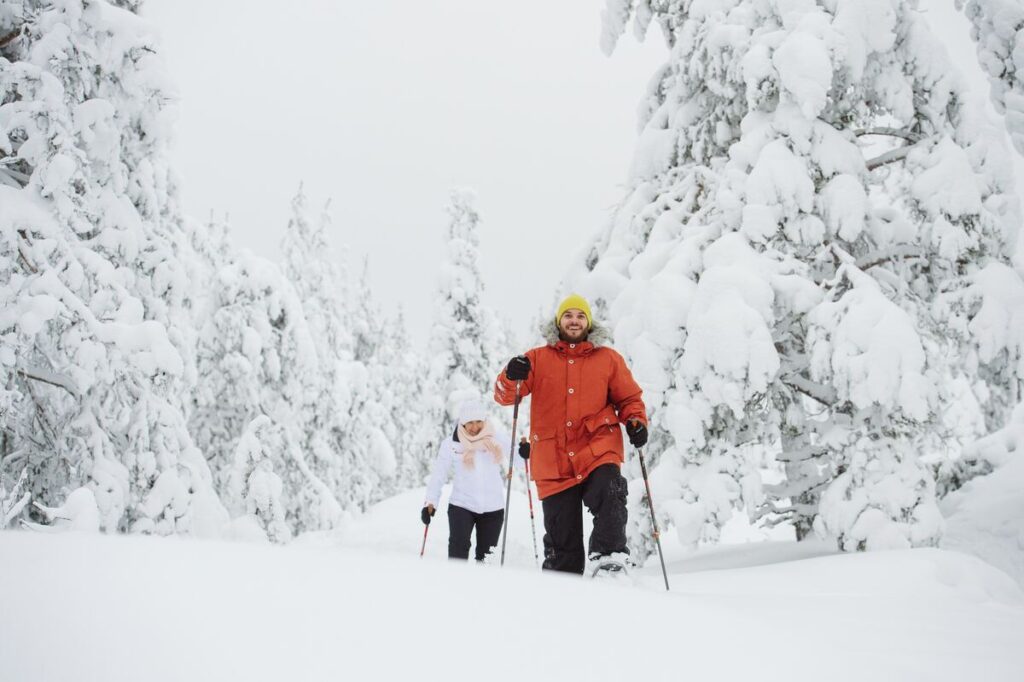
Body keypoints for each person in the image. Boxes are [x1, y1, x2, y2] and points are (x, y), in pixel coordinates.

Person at [493, 294, 648, 575]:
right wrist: (510, 375)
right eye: (568, 315)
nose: (574, 321)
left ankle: (609, 559)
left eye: (580, 316)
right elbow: (505, 396)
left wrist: (636, 422)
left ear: (588, 322)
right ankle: (561, 588)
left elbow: (629, 399)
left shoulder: (608, 359)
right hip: (554, 461)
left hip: (597, 449)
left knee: (610, 491)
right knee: (563, 549)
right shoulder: (537, 359)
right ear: (558, 321)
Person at [421, 398, 528, 562]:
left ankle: (483, 588)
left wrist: (524, 453)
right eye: (470, 423)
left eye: (479, 421)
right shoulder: (451, 444)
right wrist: (430, 502)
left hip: (493, 508)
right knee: (458, 552)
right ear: (462, 423)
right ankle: (456, 585)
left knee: (486, 559)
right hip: (461, 505)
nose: (475, 427)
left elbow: (520, 462)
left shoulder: (495, 438)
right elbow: (438, 475)